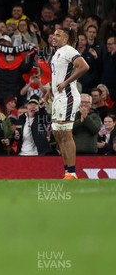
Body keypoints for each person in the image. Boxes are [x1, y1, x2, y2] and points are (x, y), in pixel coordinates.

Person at [45, 27, 90, 179]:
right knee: (57, 134)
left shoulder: (69, 50)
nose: (54, 37)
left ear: (65, 39)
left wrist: (67, 82)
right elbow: (57, 74)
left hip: (68, 96)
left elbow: (84, 66)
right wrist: (50, 89)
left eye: (58, 35)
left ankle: (72, 172)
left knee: (65, 132)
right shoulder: (57, 52)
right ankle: (66, 171)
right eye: (54, 35)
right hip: (58, 96)